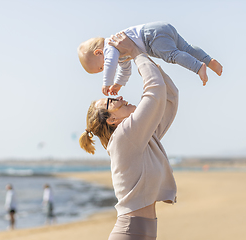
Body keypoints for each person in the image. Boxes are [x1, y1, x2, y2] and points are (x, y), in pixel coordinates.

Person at [79, 32, 178, 240]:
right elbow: (155, 92)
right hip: (130, 233)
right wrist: (134, 52)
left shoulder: (140, 138)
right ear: (111, 120)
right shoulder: (125, 137)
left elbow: (168, 97)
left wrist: (143, 54)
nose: (119, 97)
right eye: (111, 102)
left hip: (141, 232)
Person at [77, 21, 223, 96]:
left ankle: (198, 67)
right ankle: (210, 61)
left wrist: (107, 82)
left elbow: (110, 63)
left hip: (150, 37)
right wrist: (118, 84)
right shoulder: (120, 54)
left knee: (172, 55)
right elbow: (125, 70)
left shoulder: (110, 45)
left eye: (100, 68)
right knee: (186, 49)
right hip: (161, 29)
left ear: (98, 53)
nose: (104, 69)